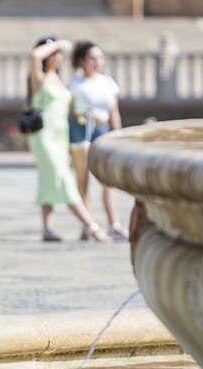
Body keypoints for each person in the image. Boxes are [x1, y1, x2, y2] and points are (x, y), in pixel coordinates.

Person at [26, 36, 109, 243]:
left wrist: (91, 116)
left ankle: (47, 228)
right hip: (43, 137)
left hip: (61, 136)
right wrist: (57, 44)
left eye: (59, 54)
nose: (57, 57)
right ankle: (93, 227)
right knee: (65, 180)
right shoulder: (39, 78)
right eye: (53, 54)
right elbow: (34, 55)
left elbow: (71, 110)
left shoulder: (62, 80)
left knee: (47, 180)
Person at [68, 41, 128, 242]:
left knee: (107, 180)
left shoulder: (108, 82)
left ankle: (114, 225)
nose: (97, 62)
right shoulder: (75, 83)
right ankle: (88, 225)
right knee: (83, 179)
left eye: (100, 58)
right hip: (81, 127)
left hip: (102, 128)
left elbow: (114, 112)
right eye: (93, 58)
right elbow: (68, 111)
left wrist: (118, 136)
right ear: (82, 61)